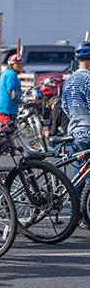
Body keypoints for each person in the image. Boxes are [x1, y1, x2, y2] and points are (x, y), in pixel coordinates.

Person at [61, 41, 90, 197]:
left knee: (79, 176)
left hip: (74, 133)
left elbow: (64, 106)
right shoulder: (88, 80)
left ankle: (76, 214)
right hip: (88, 132)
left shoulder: (69, 80)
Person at [0, 54, 24, 124]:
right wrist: (21, 101)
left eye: (21, 63)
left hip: (3, 106)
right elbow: (11, 91)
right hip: (8, 107)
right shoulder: (12, 74)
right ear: (11, 65)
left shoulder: (6, 72)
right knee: (8, 129)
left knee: (5, 129)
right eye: (17, 64)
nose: (20, 66)